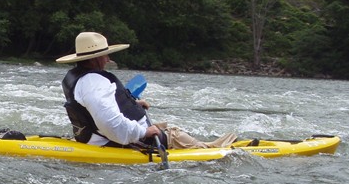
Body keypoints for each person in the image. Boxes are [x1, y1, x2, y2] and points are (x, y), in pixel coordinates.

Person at [56, 31, 236, 149]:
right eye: (105, 55)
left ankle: (207, 144)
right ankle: (217, 150)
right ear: (95, 58)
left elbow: (97, 109)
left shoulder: (81, 78)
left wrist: (131, 104)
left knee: (164, 127)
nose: (108, 59)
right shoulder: (95, 82)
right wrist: (143, 132)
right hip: (121, 142)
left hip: (102, 137)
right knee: (174, 134)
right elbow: (109, 123)